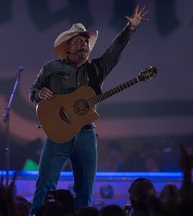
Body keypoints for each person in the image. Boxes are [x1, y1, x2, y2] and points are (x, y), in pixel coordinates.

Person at [28, 5, 149, 215]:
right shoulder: (51, 68)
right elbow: (33, 90)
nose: (84, 44)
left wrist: (130, 28)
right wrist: (39, 94)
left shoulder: (96, 69)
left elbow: (114, 52)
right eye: (79, 41)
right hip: (57, 135)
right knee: (46, 184)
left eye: (86, 41)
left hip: (86, 134)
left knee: (85, 190)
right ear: (67, 47)